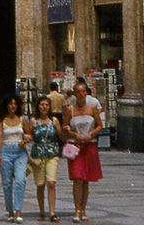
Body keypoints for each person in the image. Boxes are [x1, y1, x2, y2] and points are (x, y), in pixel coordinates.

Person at [63, 80, 103, 222]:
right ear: (74, 94)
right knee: (77, 178)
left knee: (86, 180)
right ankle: (77, 210)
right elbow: (64, 127)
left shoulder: (92, 108)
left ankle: (83, 209)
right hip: (75, 147)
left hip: (89, 146)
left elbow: (100, 126)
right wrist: (73, 134)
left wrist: (91, 134)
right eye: (78, 92)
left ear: (86, 93)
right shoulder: (70, 110)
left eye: (83, 91)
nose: (80, 94)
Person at [0, 93, 30, 224]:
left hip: (20, 152)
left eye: (15, 104)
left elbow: (29, 133)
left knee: (21, 180)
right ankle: (10, 211)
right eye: (10, 104)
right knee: (7, 183)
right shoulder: (1, 120)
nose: (13, 106)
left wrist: (25, 140)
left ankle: (18, 210)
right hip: (6, 151)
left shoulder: (22, 119)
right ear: (6, 105)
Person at [28, 95, 64, 222]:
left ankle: (52, 212)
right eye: (42, 104)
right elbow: (27, 135)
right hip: (38, 155)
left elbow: (61, 136)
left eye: (46, 105)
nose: (44, 107)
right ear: (38, 106)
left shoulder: (54, 121)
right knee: (40, 184)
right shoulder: (33, 121)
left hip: (52, 153)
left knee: (51, 183)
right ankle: (42, 211)